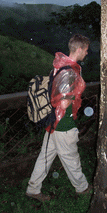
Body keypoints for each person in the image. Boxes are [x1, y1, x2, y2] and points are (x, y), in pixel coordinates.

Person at [26, 34, 92, 202]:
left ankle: (33, 189)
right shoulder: (69, 72)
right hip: (63, 124)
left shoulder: (60, 66)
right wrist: (75, 93)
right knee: (72, 159)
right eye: (85, 50)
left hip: (52, 122)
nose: (87, 53)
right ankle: (83, 189)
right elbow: (63, 103)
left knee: (45, 157)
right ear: (78, 49)